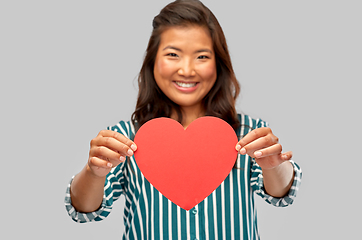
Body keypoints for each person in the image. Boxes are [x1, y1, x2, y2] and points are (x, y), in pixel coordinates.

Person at [64, 0, 302, 239]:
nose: (187, 70)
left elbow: (280, 193)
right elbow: (84, 210)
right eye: (173, 55)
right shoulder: (124, 138)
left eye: (201, 56)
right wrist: (94, 172)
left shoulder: (249, 133)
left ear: (218, 64)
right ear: (153, 61)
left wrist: (274, 166)